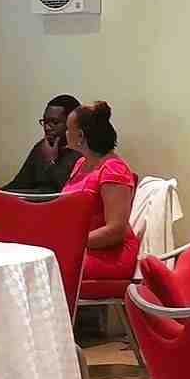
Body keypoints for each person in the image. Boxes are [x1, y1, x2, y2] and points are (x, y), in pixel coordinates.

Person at [57, 101, 140, 280]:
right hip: (81, 247)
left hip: (109, 254)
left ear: (79, 135)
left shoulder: (113, 169)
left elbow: (115, 231)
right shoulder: (81, 163)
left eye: (68, 129)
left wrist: (68, 242)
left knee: (46, 269)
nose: (65, 133)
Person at [1, 94, 81, 192]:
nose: (47, 128)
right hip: (33, 205)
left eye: (54, 122)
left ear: (72, 123)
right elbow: (18, 184)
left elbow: (68, 192)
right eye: (45, 122)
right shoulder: (41, 148)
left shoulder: (82, 152)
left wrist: (51, 162)